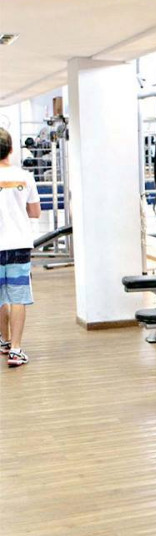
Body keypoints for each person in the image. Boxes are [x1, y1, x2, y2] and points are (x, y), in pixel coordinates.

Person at [0, 128, 41, 368]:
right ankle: (15, 350)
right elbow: (35, 212)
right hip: (18, 245)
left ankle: (4, 341)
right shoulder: (25, 176)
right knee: (17, 297)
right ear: (11, 149)